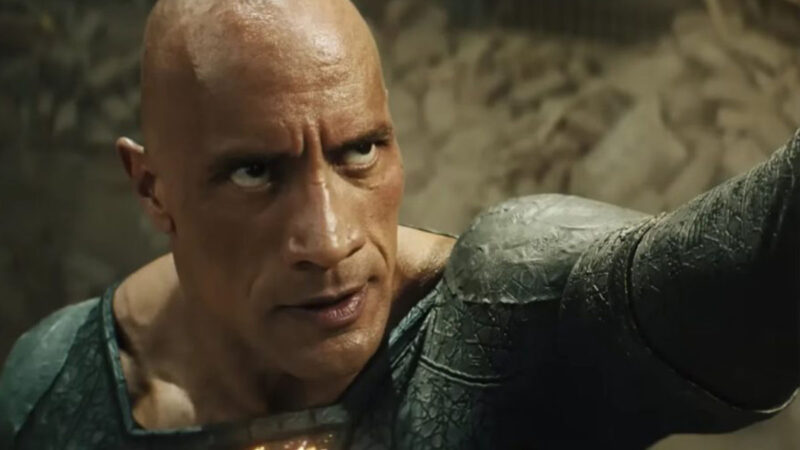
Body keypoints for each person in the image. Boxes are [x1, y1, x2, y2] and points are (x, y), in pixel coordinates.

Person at [1, 0, 798, 448]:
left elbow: (748, 269)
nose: (330, 240)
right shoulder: (57, 387)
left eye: (359, 151)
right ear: (152, 188)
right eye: (254, 172)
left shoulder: (508, 319)